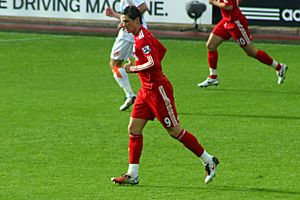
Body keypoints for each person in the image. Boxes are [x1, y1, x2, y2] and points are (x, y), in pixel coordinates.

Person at [111, 6, 219, 185]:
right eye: (122, 22)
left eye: (127, 22)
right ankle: (132, 174)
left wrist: (134, 68)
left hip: (158, 91)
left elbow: (153, 62)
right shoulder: (142, 34)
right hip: (145, 91)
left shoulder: (142, 40)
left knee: (175, 131)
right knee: (134, 129)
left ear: (137, 20)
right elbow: (162, 51)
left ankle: (209, 160)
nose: (123, 26)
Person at [198, 0, 287, 88]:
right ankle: (213, 77)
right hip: (226, 20)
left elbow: (229, 6)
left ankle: (279, 67)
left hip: (236, 23)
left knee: (251, 52)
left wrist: (214, 2)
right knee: (211, 45)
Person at [105, 0, 148, 110]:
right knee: (145, 66)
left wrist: (126, 23)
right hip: (136, 33)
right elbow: (132, 13)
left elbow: (143, 7)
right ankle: (152, 97)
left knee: (115, 63)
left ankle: (130, 95)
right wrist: (115, 15)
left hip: (127, 36)